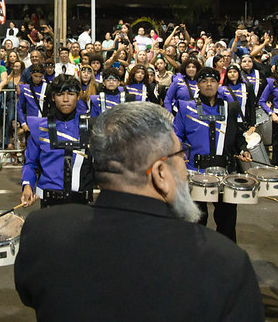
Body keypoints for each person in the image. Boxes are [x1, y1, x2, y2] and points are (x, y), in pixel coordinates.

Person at [15, 101, 264, 321]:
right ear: (159, 173)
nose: (186, 168)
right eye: (180, 155)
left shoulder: (41, 232)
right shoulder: (224, 262)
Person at [173, 66, 250, 242]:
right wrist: (179, 154)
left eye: (213, 81)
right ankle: (197, 261)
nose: (209, 85)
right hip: (195, 171)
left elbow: (237, 135)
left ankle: (227, 261)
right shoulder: (185, 107)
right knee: (197, 221)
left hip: (225, 171)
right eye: (204, 81)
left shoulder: (230, 108)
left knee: (227, 223)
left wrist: (243, 149)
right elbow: (176, 135)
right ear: (197, 85)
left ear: (219, 84)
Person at [20, 74, 95, 208]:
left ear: (78, 96)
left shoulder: (92, 127)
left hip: (82, 204)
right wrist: (27, 185)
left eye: (71, 94)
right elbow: (30, 163)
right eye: (60, 94)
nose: (66, 99)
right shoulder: (39, 127)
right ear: (53, 97)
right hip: (49, 203)